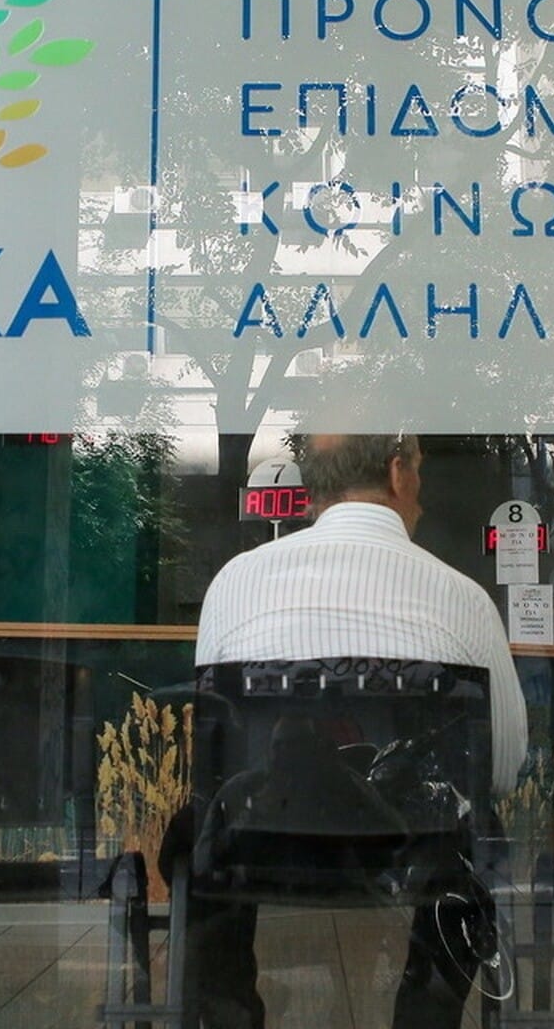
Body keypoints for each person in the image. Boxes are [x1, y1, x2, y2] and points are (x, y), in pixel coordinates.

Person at [186, 432, 530, 1029]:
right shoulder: (463, 599)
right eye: (418, 470)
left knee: (194, 832)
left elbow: (214, 753)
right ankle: (425, 1018)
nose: (421, 490)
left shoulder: (234, 584)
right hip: (411, 853)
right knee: (478, 835)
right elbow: (501, 767)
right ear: (397, 473)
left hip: (257, 851)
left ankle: (229, 1014)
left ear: (314, 486)